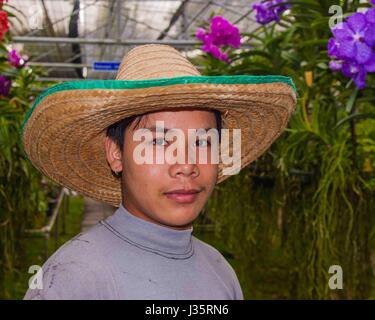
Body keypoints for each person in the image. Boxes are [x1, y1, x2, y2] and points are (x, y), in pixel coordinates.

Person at [21, 44, 297, 299]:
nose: (186, 165)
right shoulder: (73, 279)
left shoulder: (220, 270)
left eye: (202, 142)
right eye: (158, 142)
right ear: (115, 153)